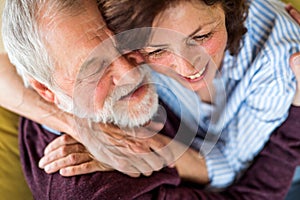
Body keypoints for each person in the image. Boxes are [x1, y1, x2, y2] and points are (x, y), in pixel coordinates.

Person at [2, 0, 300, 199]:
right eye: (94, 67)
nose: (131, 74)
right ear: (45, 90)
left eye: (123, 47)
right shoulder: (92, 186)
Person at [94, 0, 300, 189]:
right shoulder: (121, 37)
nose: (188, 68)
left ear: (228, 7)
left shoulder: (278, 62)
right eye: (158, 52)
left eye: (201, 37)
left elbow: (234, 167)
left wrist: (141, 149)